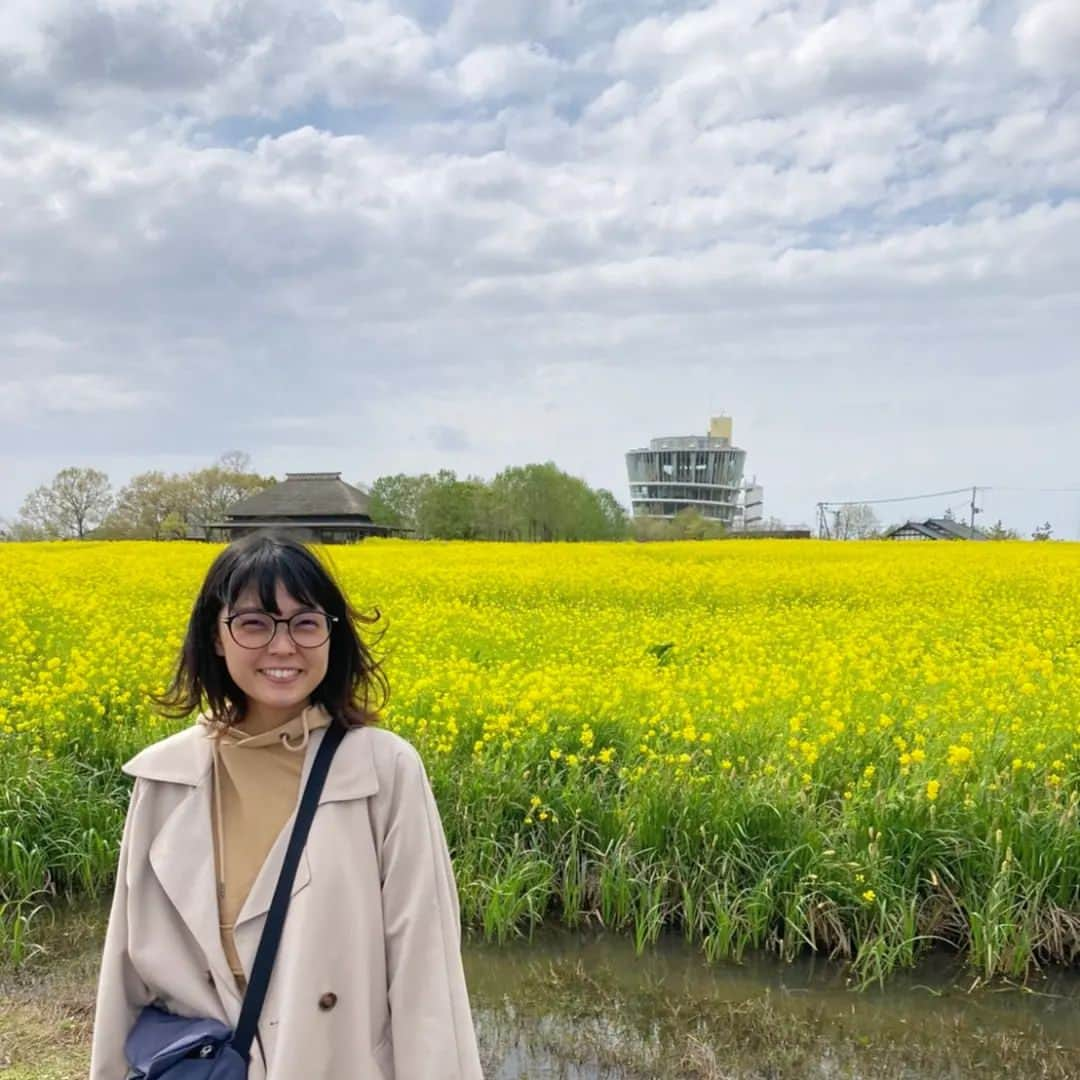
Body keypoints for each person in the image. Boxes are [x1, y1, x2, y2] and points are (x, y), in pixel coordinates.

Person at [89, 530, 484, 1079]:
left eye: (305, 623)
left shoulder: (381, 770)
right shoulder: (165, 776)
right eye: (254, 623)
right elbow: (126, 973)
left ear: (332, 637)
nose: (282, 646)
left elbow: (426, 972)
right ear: (217, 637)